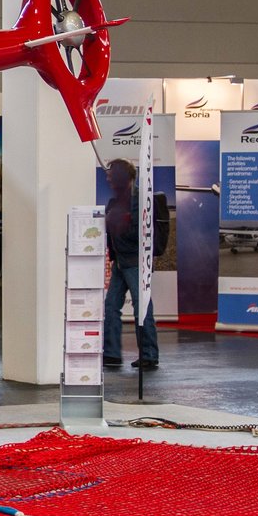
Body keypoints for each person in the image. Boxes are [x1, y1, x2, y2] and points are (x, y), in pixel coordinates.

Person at [102, 158, 158, 370]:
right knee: (111, 306)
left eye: (111, 175)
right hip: (120, 262)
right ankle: (112, 354)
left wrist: (117, 224)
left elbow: (139, 233)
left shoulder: (139, 201)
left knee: (141, 308)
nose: (108, 179)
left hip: (134, 262)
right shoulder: (117, 201)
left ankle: (149, 355)